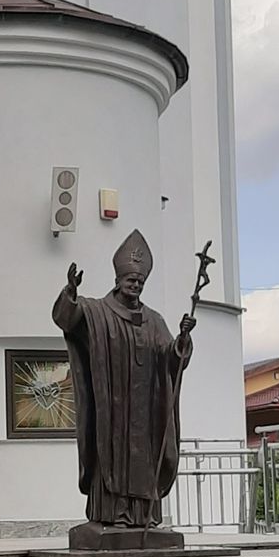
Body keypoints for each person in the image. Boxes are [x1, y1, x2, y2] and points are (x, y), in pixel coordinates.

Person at [52, 227, 194, 531]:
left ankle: (143, 517)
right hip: (112, 410)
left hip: (145, 414)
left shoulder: (154, 320)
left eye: (140, 282)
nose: (136, 285)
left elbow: (172, 358)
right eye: (131, 280)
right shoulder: (98, 312)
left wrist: (182, 339)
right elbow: (67, 319)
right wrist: (70, 292)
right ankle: (112, 515)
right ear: (118, 280)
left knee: (143, 462)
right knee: (112, 458)